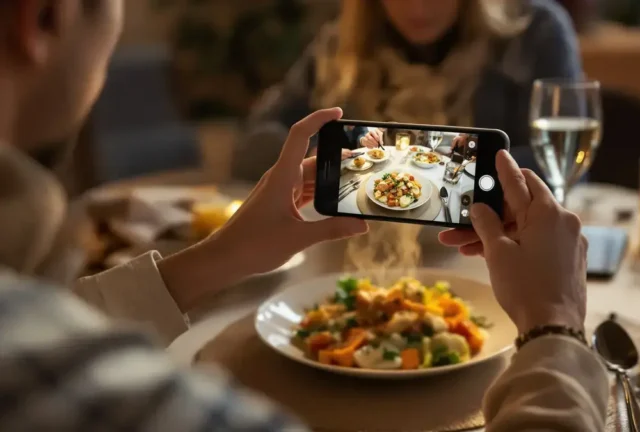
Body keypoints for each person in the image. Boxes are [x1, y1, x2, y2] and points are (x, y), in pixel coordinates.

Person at [0, 1, 607, 430]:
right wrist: (555, 325)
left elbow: (62, 319)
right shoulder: (159, 405)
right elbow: (259, 137)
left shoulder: (532, 28)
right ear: (42, 16)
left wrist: (221, 257)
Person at [233, 0, 581, 181]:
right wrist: (314, 157)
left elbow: (560, 164)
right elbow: (254, 145)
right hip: (349, 250)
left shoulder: (536, 33)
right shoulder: (340, 45)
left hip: (492, 251)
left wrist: (416, 167)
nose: (416, 8)